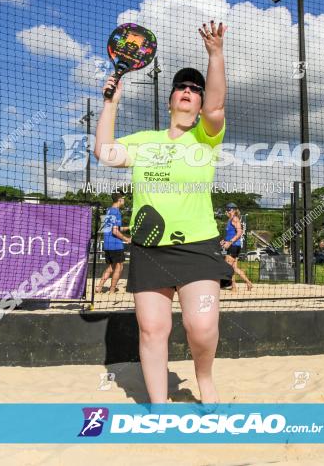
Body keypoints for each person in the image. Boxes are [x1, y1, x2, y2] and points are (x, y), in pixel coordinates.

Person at [95, 20, 231, 405]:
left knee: (201, 326)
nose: (188, 91)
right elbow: (105, 153)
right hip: (149, 248)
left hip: (198, 247)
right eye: (181, 88)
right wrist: (111, 103)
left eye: (194, 89)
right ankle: (158, 407)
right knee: (153, 330)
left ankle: (204, 377)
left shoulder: (206, 138)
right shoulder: (146, 142)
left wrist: (215, 54)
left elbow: (218, 104)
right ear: (171, 99)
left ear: (200, 103)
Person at [96, 193, 130, 293]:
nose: (124, 201)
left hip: (107, 243)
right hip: (115, 244)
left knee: (112, 267)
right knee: (119, 267)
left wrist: (129, 227)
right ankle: (111, 290)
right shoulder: (116, 212)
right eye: (123, 199)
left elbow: (112, 228)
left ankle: (99, 287)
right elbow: (115, 231)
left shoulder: (109, 210)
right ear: (119, 199)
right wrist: (126, 239)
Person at [220, 203, 253, 290]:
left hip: (233, 246)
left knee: (228, 267)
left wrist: (230, 242)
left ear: (231, 210)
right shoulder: (230, 220)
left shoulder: (235, 219)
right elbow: (230, 234)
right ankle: (247, 283)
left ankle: (233, 286)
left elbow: (239, 233)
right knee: (234, 268)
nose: (226, 212)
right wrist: (224, 241)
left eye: (227, 210)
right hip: (233, 245)